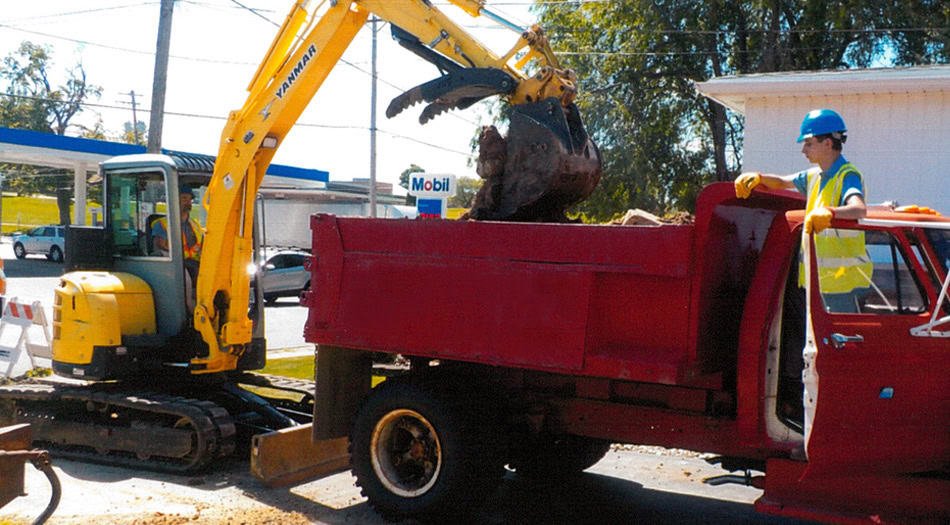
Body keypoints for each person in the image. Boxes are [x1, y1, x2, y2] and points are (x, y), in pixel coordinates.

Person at [734, 108, 871, 313]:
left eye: (808, 143)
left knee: (835, 343)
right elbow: (781, 182)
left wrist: (830, 213)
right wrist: (759, 178)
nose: (803, 150)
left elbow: (858, 209)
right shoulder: (816, 175)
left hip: (843, 284)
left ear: (827, 143)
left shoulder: (847, 175)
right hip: (823, 281)